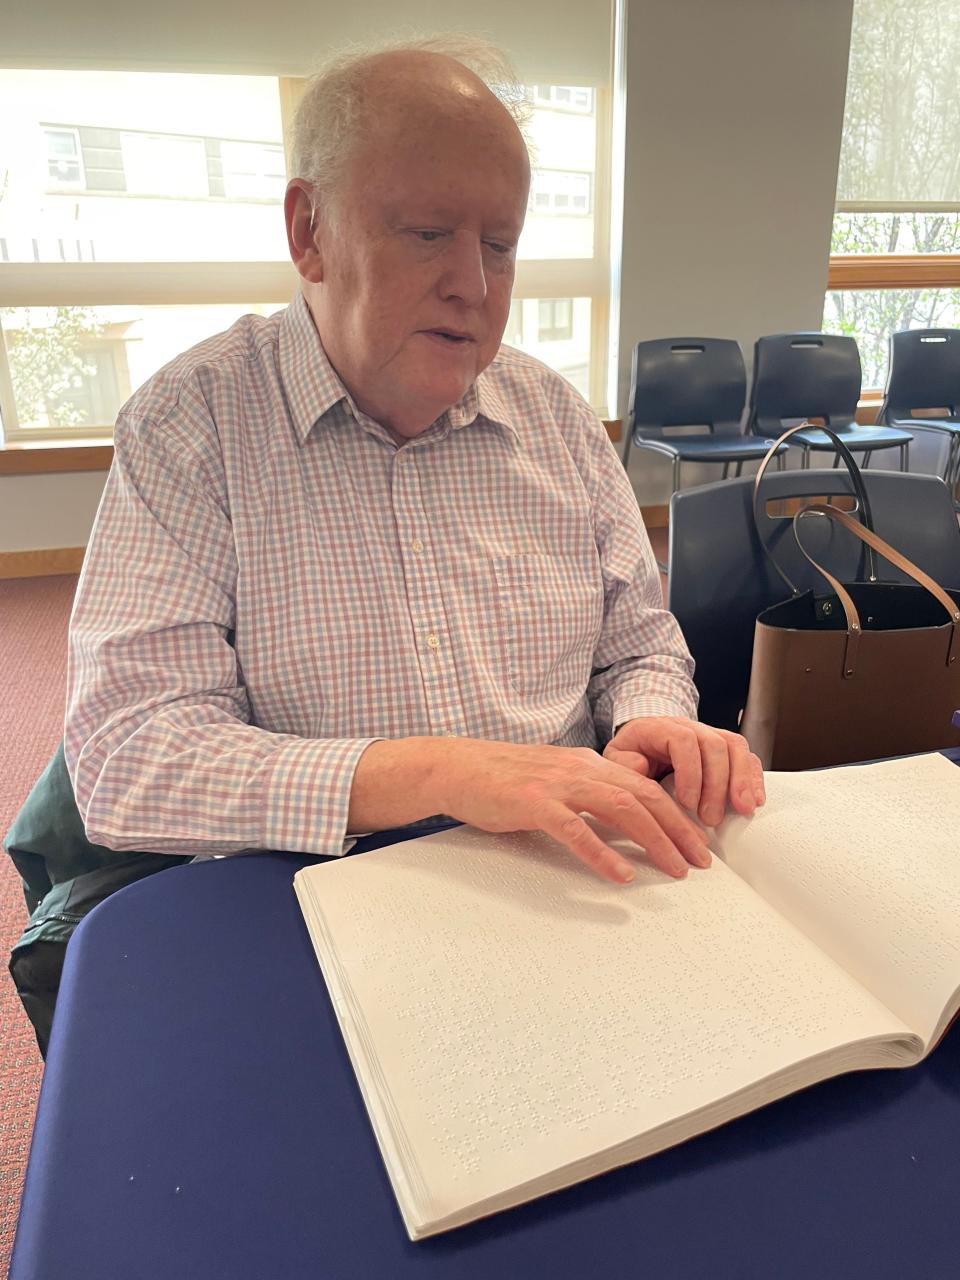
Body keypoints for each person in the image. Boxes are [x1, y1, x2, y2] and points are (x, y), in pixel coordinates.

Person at [64, 36, 764, 891]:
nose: (472, 283)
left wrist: (653, 720)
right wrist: (438, 774)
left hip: (574, 876)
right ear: (307, 232)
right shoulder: (192, 425)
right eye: (429, 233)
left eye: (500, 245)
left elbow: (640, 647)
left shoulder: (557, 420)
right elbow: (127, 758)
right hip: (322, 890)